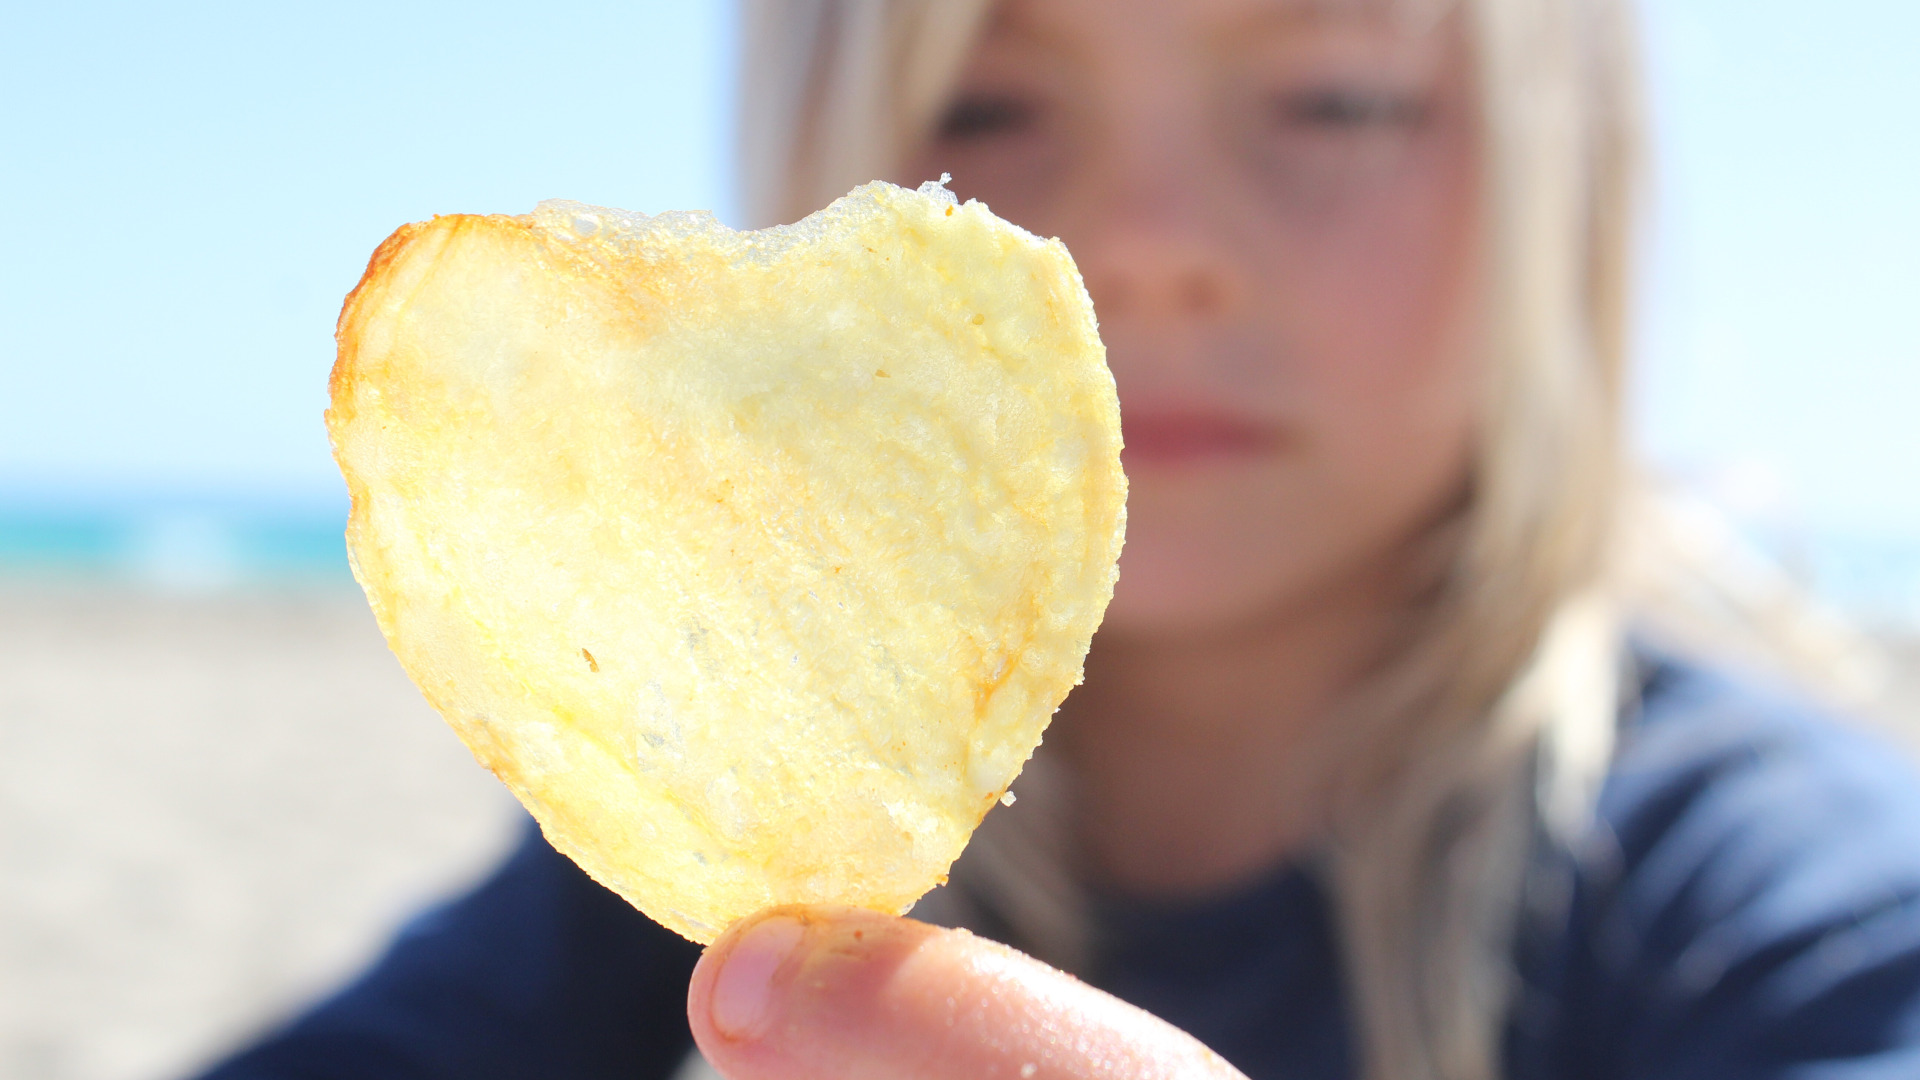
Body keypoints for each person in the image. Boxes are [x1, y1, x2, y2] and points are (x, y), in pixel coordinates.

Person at [196, 0, 1920, 1078]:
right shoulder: (703, 879)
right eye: (988, 106)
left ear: (1573, 186)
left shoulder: (1781, 899)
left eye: (1334, 99)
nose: (1148, 241)